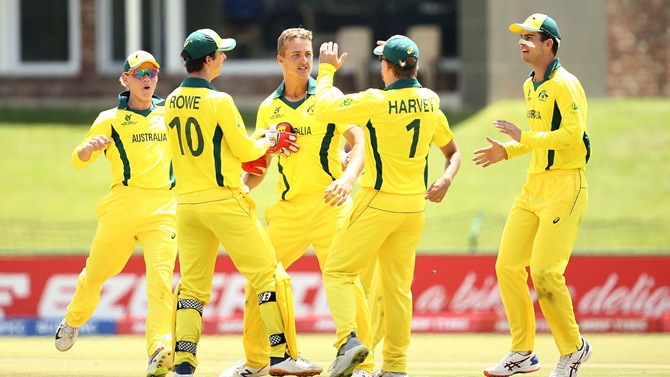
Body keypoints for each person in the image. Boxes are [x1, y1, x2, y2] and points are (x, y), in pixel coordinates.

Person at [163, 28, 319, 377]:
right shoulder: (219, 101)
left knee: (192, 286)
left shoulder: (171, 100)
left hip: (187, 205)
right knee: (269, 275)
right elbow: (247, 151)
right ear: (208, 60)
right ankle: (281, 356)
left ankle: (184, 363)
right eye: (220, 53)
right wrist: (270, 139)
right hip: (224, 199)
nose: (225, 57)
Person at [219, 27, 369, 377]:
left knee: (345, 280)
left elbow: (359, 142)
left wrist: (348, 180)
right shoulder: (269, 108)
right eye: (297, 55)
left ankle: (363, 365)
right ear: (281, 60)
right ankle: (258, 362)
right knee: (261, 280)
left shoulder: (328, 97)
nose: (305, 61)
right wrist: (241, 188)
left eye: (308, 54)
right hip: (287, 212)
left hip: (331, 205)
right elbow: (259, 165)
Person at [315, 35, 461, 377]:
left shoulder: (376, 100)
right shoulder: (430, 99)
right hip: (413, 208)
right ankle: (395, 366)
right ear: (415, 66)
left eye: (382, 61)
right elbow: (451, 149)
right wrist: (446, 180)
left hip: (379, 201)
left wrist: (325, 71)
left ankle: (348, 341)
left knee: (337, 270)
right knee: (397, 290)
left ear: (386, 67)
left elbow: (324, 108)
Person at [473, 13, 592, 377]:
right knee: (507, 266)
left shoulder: (566, 84)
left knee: (544, 273)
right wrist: (508, 150)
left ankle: (574, 349)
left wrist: (522, 138)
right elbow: (541, 138)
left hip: (565, 184)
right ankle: (522, 352)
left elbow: (572, 137)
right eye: (520, 37)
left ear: (549, 45)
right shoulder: (530, 85)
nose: (522, 43)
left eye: (530, 38)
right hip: (534, 184)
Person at [55, 50, 178, 377]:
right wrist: (87, 149)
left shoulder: (169, 113)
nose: (147, 79)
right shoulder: (109, 118)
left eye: (152, 73)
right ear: (125, 79)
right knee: (96, 273)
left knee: (161, 283)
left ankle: (158, 350)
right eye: (139, 74)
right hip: (122, 205)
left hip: (164, 207)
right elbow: (77, 159)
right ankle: (73, 320)